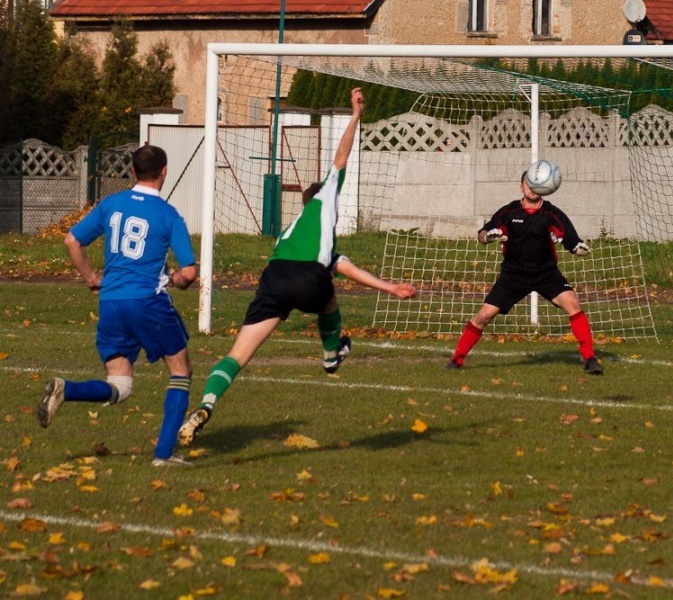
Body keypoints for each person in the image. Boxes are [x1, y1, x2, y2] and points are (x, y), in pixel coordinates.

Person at [177, 87, 417, 447]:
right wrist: (355, 116)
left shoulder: (294, 231)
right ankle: (331, 356)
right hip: (307, 276)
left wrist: (388, 287)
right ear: (323, 195)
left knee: (237, 355)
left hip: (274, 276)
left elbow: (344, 266)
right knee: (329, 299)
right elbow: (341, 156)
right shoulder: (325, 198)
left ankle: (207, 404)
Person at [37, 144, 199, 467]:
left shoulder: (112, 204)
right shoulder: (168, 215)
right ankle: (164, 454)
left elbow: (72, 240)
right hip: (147, 303)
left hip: (111, 302)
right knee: (181, 370)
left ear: (132, 172)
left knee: (120, 386)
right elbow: (190, 273)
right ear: (164, 172)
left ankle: (66, 389)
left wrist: (91, 277)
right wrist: (179, 280)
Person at [447, 166, 604, 375]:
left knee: (573, 303)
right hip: (513, 274)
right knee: (483, 316)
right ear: (522, 186)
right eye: (528, 184)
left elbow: (570, 238)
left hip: (546, 273)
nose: (532, 188)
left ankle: (590, 359)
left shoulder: (552, 214)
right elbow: (482, 234)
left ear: (546, 187)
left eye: (536, 184)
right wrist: (488, 236)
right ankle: (456, 359)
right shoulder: (508, 212)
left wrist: (577, 248)